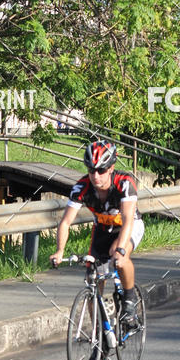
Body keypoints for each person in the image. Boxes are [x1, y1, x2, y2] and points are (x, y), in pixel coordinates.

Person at [50, 139, 144, 336]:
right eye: (91, 170)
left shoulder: (125, 184)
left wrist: (121, 249)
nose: (95, 176)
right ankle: (100, 334)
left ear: (111, 168)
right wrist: (60, 251)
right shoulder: (81, 188)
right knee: (92, 280)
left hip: (128, 226)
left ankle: (129, 299)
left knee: (118, 258)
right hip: (102, 229)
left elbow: (128, 219)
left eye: (101, 170)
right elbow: (66, 222)